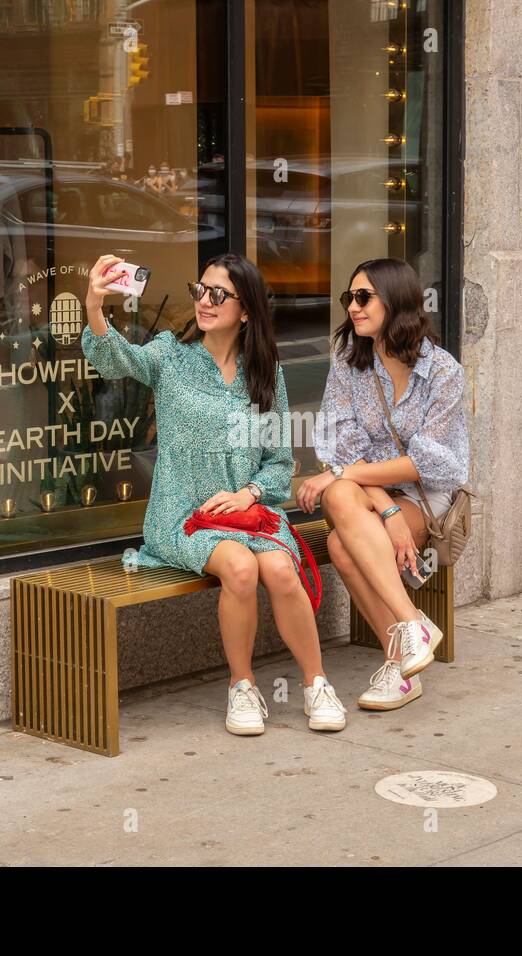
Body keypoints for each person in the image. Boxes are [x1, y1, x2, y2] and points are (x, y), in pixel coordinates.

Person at [81, 253, 347, 736]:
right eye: (199, 290)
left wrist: (248, 494)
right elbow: (117, 358)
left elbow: (279, 464)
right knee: (241, 568)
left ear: (245, 310)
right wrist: (96, 306)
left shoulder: (265, 375)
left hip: (247, 513)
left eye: (218, 294)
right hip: (183, 516)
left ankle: (316, 683)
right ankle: (242, 686)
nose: (204, 301)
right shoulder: (171, 357)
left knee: (281, 568)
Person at [299, 258, 468, 711]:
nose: (352, 307)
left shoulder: (443, 372)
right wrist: (385, 511)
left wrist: (347, 475)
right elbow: (342, 443)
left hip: (425, 495)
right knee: (339, 492)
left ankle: (400, 665)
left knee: (339, 544)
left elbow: (428, 462)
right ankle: (411, 626)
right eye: (348, 298)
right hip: (371, 491)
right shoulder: (349, 361)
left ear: (396, 302)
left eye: (363, 297)